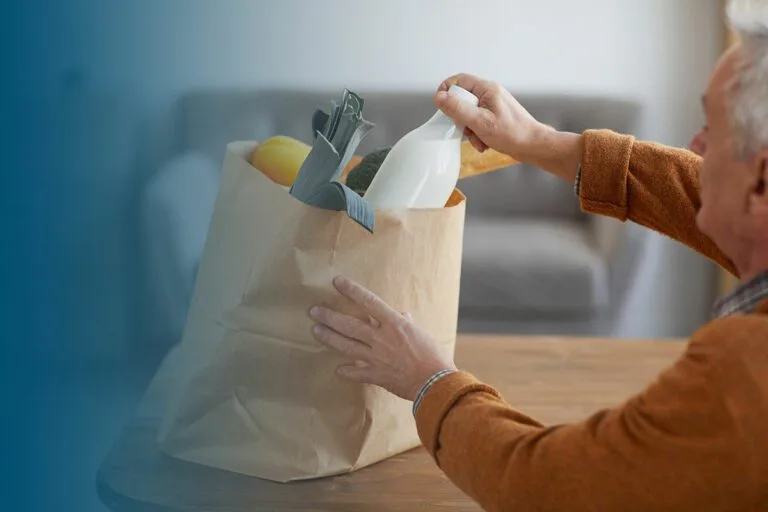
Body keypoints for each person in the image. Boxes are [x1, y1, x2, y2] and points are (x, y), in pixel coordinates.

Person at [307, 10, 768, 512]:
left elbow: (548, 484)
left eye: (710, 131)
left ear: (761, 182)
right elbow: (688, 189)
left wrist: (429, 380)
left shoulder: (742, 377)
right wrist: (535, 141)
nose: (695, 149)